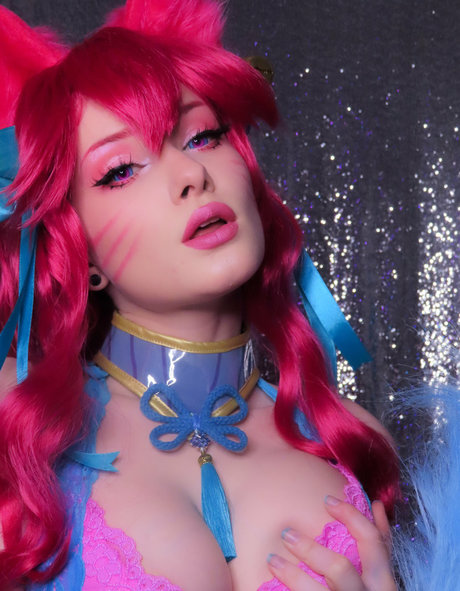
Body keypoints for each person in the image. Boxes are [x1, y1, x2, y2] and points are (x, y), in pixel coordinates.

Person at [0, 0, 399, 589]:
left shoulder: (349, 438)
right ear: (77, 247)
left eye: (204, 136)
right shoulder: (19, 433)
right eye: (120, 170)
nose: (192, 175)